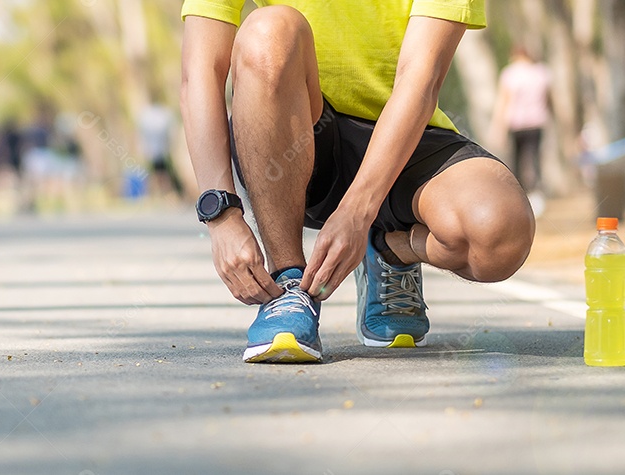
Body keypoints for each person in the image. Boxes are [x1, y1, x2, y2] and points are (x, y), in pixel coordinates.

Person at [180, 1, 535, 363]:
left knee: (500, 234)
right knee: (268, 28)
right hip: (297, 133)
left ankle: (388, 249)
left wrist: (357, 212)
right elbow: (200, 69)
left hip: (404, 131)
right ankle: (288, 284)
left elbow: (421, 78)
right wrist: (221, 213)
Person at [492, 45, 552, 216]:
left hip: (516, 124)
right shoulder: (541, 73)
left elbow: (504, 102)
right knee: (534, 159)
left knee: (516, 161)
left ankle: (517, 196)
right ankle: (537, 195)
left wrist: (499, 128)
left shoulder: (510, 74)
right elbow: (548, 100)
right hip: (536, 123)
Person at [138, 103, 185, 199]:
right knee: (159, 174)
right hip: (158, 152)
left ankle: (165, 194)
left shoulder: (151, 119)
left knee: (160, 174)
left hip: (158, 152)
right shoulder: (157, 119)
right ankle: (161, 194)